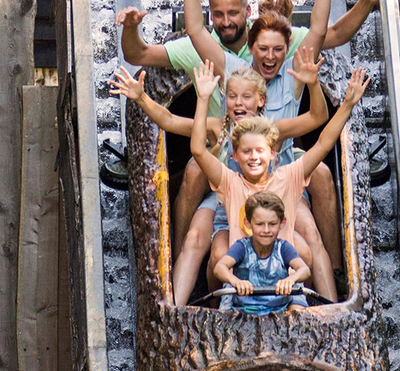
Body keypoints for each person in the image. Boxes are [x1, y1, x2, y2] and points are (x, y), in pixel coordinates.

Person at [115, 0, 394, 263]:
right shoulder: (221, 63)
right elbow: (181, 39)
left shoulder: (284, 61)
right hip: (226, 160)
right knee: (195, 175)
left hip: (278, 167)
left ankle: (335, 274)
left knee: (317, 180)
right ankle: (170, 269)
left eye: (277, 50)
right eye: (217, 14)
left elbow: (324, 34)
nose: (270, 55)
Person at [177, 0, 343, 300]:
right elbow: (194, 30)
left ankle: (333, 291)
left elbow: (317, 29)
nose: (269, 57)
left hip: (280, 182)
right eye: (262, 49)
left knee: (310, 232)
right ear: (250, 48)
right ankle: (178, 294)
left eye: (277, 51)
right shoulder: (234, 70)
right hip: (233, 183)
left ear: (287, 51)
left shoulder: (295, 74)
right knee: (200, 225)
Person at [108, 47, 327, 305]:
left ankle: (325, 304)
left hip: (269, 196)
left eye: (246, 97)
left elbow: (318, 118)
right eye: (232, 96)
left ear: (260, 100)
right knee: (199, 240)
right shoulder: (217, 126)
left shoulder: (270, 130)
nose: (238, 103)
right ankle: (177, 305)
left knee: (307, 240)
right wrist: (141, 97)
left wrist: (313, 85)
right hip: (224, 197)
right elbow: (169, 121)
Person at [189, 60, 370, 306]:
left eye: (260, 151)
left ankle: (322, 307)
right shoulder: (230, 183)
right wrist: (202, 99)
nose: (254, 158)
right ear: (235, 156)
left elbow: (324, 143)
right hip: (241, 286)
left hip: (283, 285)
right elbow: (198, 150)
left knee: (303, 264)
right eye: (247, 152)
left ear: (273, 153)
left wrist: (348, 103)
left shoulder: (289, 177)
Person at [213, 191, 311, 315]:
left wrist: (291, 280)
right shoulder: (241, 247)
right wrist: (236, 281)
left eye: (272, 224)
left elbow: (304, 269)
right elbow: (219, 268)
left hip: (280, 307)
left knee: (298, 287)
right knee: (227, 288)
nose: (266, 230)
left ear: (282, 223)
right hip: (244, 308)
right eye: (259, 224)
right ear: (248, 223)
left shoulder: (283, 248)